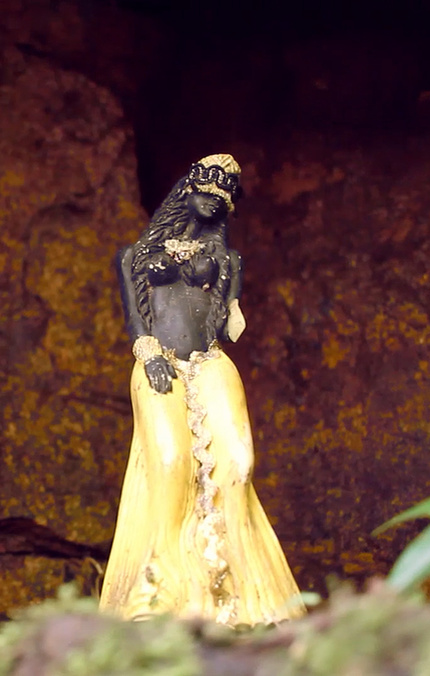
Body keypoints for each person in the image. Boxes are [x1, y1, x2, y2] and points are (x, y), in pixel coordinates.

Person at [99, 154, 304, 626]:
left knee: (238, 464)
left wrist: (234, 304)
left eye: (222, 198)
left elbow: (230, 327)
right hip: (158, 358)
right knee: (171, 464)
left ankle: (241, 596)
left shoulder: (228, 260)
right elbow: (134, 318)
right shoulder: (135, 256)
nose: (211, 204)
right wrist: (149, 355)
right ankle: (162, 589)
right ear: (185, 193)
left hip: (210, 362)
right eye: (205, 193)